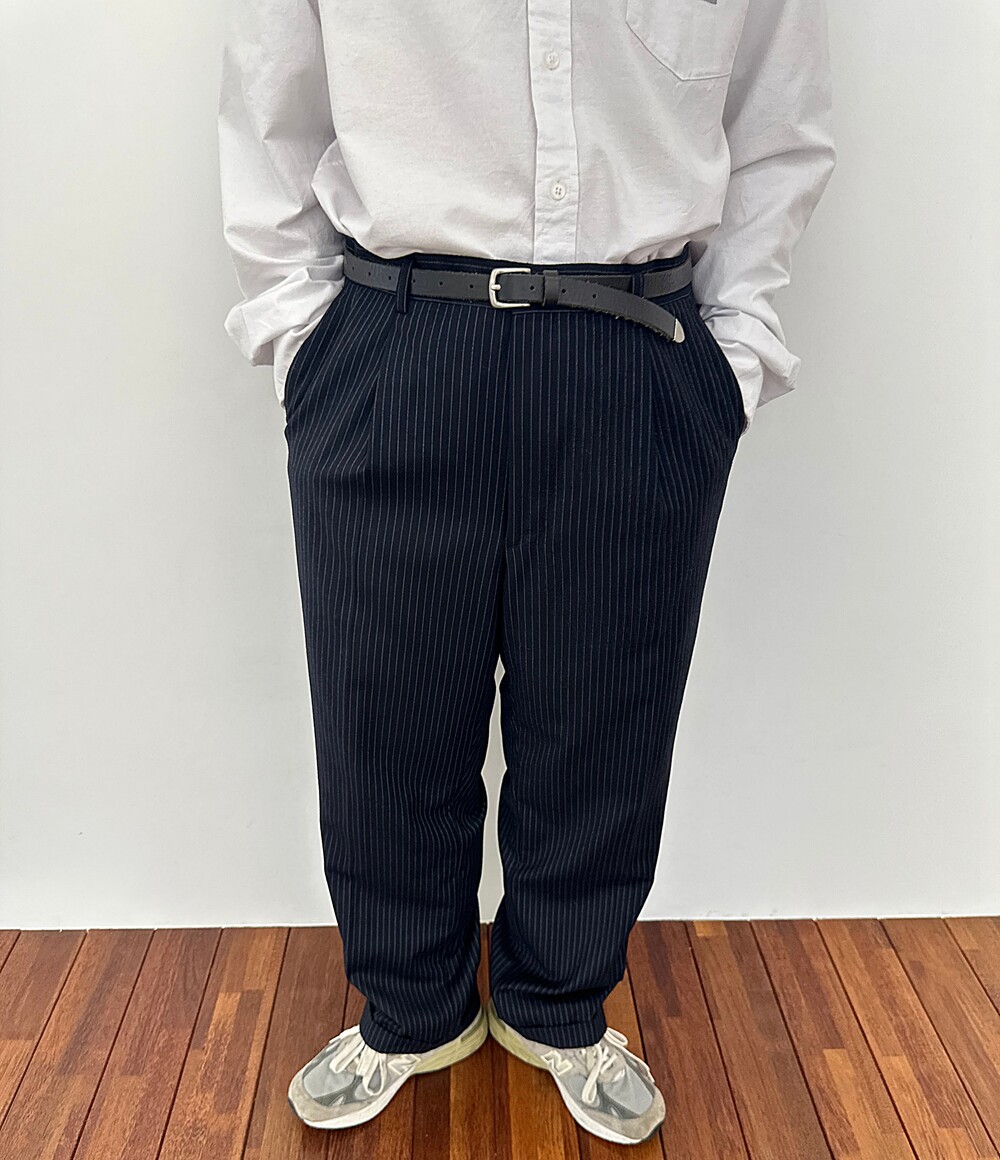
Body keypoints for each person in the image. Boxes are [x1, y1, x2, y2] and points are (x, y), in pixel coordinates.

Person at [218, 0, 835, 1146]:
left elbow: (778, 125)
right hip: (396, 336)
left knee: (606, 717)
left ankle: (560, 1003)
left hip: (636, 347)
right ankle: (409, 1009)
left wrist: (733, 359)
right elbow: (271, 109)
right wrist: (304, 343)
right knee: (381, 712)